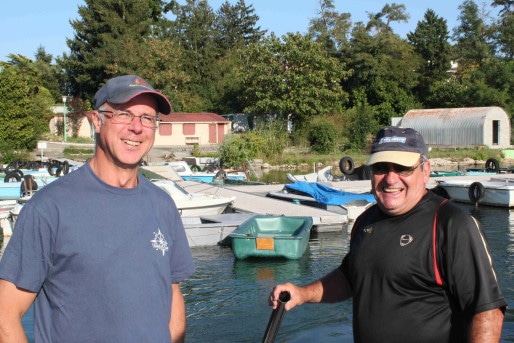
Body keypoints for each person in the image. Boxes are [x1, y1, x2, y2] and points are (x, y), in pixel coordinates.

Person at [0, 75, 195, 343]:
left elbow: (171, 291)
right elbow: (5, 316)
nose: (136, 128)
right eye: (124, 115)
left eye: (147, 118)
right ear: (97, 121)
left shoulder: (162, 204)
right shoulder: (49, 208)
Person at [269, 126, 507, 342]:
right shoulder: (366, 221)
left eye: (402, 168)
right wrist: (302, 294)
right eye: (381, 168)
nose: (391, 178)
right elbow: (351, 277)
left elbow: (486, 311)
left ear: (425, 171)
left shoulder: (451, 224)